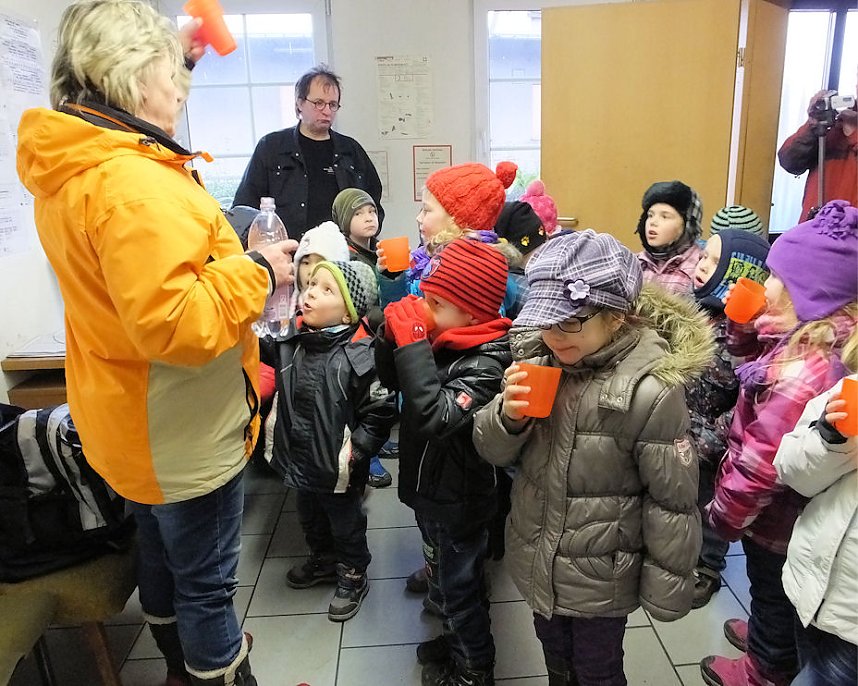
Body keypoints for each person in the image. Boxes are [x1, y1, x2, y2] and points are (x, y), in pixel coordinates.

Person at [16, 2, 297, 685]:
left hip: (128, 419)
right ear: (135, 78)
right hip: (180, 430)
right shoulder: (136, 189)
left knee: (162, 556)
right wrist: (259, 271)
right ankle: (217, 672)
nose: (181, 89)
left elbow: (142, 290)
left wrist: (185, 51)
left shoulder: (81, 159)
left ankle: (177, 665)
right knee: (206, 583)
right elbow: (178, 325)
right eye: (171, 76)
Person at [474, 230, 709, 686]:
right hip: (539, 552)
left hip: (604, 574)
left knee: (598, 670)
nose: (552, 335)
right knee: (555, 656)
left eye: (570, 322)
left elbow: (672, 500)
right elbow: (490, 449)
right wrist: (509, 417)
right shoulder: (537, 362)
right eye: (545, 320)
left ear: (617, 316)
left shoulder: (650, 391)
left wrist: (667, 585)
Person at [701, 200, 857, 686]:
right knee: (779, 594)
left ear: (808, 291)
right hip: (788, 520)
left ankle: (764, 668)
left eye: (775, 277)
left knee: (771, 589)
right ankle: (773, 634)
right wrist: (743, 323)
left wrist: (725, 515)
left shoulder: (804, 368)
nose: (764, 286)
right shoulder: (801, 337)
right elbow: (754, 362)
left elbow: (761, 461)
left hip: (776, 520)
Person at [376, 239, 513, 686]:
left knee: (462, 589)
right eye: (425, 297)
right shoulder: (442, 341)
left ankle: (475, 668)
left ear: (472, 314)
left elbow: (436, 417)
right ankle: (454, 638)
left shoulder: (488, 363)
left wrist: (414, 343)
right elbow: (392, 380)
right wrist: (390, 338)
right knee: (439, 572)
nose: (425, 309)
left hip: (462, 500)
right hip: (430, 492)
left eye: (436, 303)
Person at [264, 259, 396, 622]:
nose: (310, 295)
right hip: (300, 455)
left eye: (326, 290)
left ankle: (353, 572)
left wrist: (360, 450)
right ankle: (323, 559)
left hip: (338, 462)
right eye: (310, 286)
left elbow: (380, 409)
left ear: (348, 311)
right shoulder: (293, 340)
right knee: (308, 515)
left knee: (345, 521)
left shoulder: (359, 354)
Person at [687, 228, 771, 608]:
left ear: (738, 273)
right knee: (683, 497)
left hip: (716, 441)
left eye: (712, 260)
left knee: (711, 504)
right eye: (703, 256)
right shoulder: (694, 311)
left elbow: (746, 402)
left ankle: (707, 566)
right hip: (684, 427)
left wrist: (711, 436)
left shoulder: (749, 338)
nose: (700, 265)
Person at [774, 337, 857, 686]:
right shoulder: (851, 389)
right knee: (805, 661)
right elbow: (791, 471)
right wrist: (830, 439)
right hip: (814, 589)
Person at [232, 65, 384, 241]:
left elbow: (374, 205)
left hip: (344, 255)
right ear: (299, 104)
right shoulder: (271, 148)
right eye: (318, 103)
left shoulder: (351, 151)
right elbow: (244, 209)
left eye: (332, 104)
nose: (326, 111)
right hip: (288, 256)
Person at [377, 161, 520, 310]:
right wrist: (393, 276)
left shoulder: (473, 273)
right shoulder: (431, 257)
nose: (418, 218)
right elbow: (402, 306)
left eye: (426, 210)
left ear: (456, 220)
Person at [331, 187, 393, 488]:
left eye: (371, 211)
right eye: (358, 213)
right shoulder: (343, 256)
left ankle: (378, 445)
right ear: (345, 220)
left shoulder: (377, 249)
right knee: (361, 402)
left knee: (377, 397)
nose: (369, 218)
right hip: (356, 340)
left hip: (376, 336)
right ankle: (369, 459)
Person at [778, 86, 858, 223]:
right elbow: (789, 161)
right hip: (813, 232)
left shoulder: (850, 125)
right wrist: (812, 126)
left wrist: (855, 133)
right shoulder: (835, 123)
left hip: (851, 237)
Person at [635, 180, 705, 296]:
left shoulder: (700, 267)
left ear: (688, 225)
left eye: (665, 216)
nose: (653, 222)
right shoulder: (636, 263)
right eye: (650, 215)